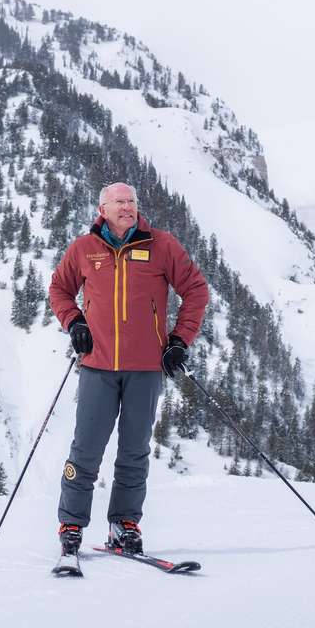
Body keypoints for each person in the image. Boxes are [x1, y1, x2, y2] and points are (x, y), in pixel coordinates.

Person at [48, 182, 209, 557]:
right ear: (102, 209)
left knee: (134, 451)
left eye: (132, 201)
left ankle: (124, 524)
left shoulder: (162, 245)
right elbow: (59, 289)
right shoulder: (85, 249)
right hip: (97, 366)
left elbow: (196, 290)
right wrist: (75, 323)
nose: (128, 207)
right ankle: (71, 525)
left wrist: (179, 341)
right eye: (120, 202)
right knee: (85, 449)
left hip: (145, 368)